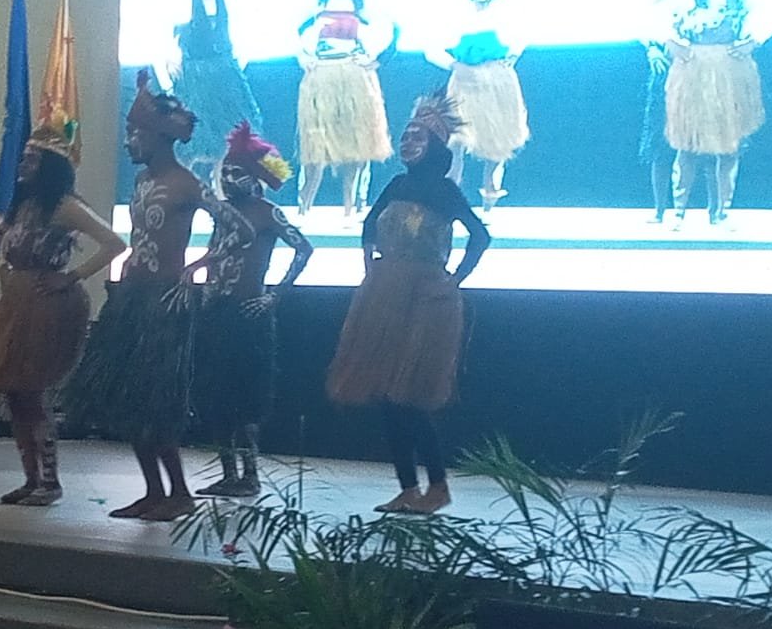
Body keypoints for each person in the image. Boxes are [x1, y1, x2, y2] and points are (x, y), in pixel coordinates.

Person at [65, 71, 253, 522]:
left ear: (158, 136)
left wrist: (196, 267)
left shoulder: (187, 183)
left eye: (135, 133)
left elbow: (241, 229)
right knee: (131, 399)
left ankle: (180, 493)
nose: (129, 141)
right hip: (133, 296)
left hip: (166, 304)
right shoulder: (142, 181)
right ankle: (153, 491)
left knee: (157, 401)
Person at [326, 90, 490, 515]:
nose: (407, 141)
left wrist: (453, 281)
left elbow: (480, 236)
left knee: (409, 398)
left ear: (435, 145)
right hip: (385, 293)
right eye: (405, 135)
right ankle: (407, 488)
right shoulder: (397, 185)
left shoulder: (446, 191)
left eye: (417, 136)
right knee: (386, 396)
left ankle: (437, 486)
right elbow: (368, 225)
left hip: (424, 300)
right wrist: (371, 268)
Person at [0, 109, 125, 506]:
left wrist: (71, 276)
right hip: (18, 304)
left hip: (46, 306)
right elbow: (9, 253)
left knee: (32, 393)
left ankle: (51, 482)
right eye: (23, 158)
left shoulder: (65, 207)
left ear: (50, 166)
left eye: (31, 159)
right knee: (15, 395)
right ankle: (31, 478)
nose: (23, 164)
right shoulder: (24, 206)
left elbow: (114, 243)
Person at [191, 121, 313, 498]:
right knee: (216, 397)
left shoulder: (267, 213)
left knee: (244, 400)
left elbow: (303, 249)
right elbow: (216, 253)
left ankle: (250, 475)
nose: (228, 179)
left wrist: (275, 295)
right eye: (225, 172)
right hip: (216, 312)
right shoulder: (224, 212)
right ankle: (229, 473)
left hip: (248, 315)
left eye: (236, 172)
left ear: (254, 176)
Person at [659, 0, 768, 228]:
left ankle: (721, 210)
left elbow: (768, 16)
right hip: (693, 68)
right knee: (687, 142)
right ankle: (679, 210)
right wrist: (671, 43)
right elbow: (657, 16)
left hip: (730, 70)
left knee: (729, 143)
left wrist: (753, 42)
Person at [295, 0, 395, 217]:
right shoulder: (316, 6)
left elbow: (386, 31)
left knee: (356, 145)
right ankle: (304, 207)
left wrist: (373, 58)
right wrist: (304, 57)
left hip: (353, 76)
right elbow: (300, 36)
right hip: (322, 75)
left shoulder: (364, 7)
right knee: (316, 147)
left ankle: (350, 208)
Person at [423, 0, 529, 212]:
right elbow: (432, 48)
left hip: (496, 82)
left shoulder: (505, 13)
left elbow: (519, 38)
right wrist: (453, 65)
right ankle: (451, 195)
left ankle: (489, 198)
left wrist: (512, 56)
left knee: (497, 142)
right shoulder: (455, 14)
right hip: (464, 81)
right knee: (457, 141)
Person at [155, 0, 264, 185]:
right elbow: (168, 41)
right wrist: (169, 66)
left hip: (224, 79)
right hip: (195, 80)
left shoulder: (227, 4)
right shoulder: (183, 6)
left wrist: (233, 69)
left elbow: (237, 40)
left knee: (228, 135)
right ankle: (182, 185)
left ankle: (218, 185)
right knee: (193, 138)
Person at [640, 0, 709, 223]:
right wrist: (651, 48)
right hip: (667, 73)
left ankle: (705, 211)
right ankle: (659, 210)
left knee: (702, 144)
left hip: (705, 74)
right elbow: (643, 19)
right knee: (661, 143)